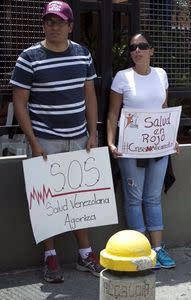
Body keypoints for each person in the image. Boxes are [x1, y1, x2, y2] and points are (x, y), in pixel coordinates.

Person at [10, 1, 102, 282]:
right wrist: (34, 143)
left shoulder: (82, 54)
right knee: (46, 203)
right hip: (45, 143)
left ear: (70, 26)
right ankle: (50, 258)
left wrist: (93, 133)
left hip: (79, 140)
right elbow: (20, 103)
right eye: (49, 21)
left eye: (60, 22)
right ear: (44, 25)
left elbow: (89, 96)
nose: (54, 26)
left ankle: (85, 254)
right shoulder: (29, 57)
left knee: (80, 200)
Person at [106, 33, 176, 269]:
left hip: (158, 147)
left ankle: (157, 249)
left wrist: (171, 139)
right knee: (134, 200)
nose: (137, 50)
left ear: (151, 51)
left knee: (153, 198)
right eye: (133, 47)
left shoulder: (161, 75)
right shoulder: (122, 77)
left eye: (142, 46)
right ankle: (142, 251)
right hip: (131, 148)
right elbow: (113, 113)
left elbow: (164, 110)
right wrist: (111, 142)